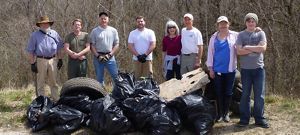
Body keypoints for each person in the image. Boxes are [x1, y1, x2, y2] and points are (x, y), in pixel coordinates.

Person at [236, 13, 269, 128]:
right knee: (245, 95)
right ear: (246, 22)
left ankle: (259, 119)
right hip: (246, 70)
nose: (251, 23)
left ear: (256, 22)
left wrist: (247, 47)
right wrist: (255, 49)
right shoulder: (241, 35)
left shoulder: (261, 33)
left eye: (253, 21)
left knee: (259, 95)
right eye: (249, 21)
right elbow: (239, 51)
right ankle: (244, 119)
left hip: (259, 70)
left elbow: (262, 48)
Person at [206, 16, 238, 122]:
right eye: (221, 24)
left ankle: (226, 113)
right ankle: (219, 114)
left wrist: (257, 29)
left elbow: (247, 35)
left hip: (230, 70)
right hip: (217, 70)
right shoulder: (213, 37)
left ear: (228, 24)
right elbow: (210, 54)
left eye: (225, 23)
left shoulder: (234, 35)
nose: (223, 26)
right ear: (218, 25)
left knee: (228, 92)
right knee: (219, 92)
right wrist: (210, 68)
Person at [26, 16, 63, 101]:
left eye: (47, 23)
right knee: (41, 82)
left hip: (53, 59)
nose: (45, 25)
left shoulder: (54, 33)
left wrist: (60, 59)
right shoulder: (34, 35)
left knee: (53, 82)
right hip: (40, 60)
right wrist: (32, 63)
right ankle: (41, 100)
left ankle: (56, 99)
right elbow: (31, 50)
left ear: (49, 24)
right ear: (40, 25)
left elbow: (59, 47)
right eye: (43, 23)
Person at [90, 12, 119, 85]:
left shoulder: (113, 30)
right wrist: (97, 55)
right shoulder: (94, 31)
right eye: (102, 19)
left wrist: (110, 54)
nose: (103, 20)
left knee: (116, 76)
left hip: (110, 57)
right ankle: (101, 94)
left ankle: (117, 94)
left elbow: (116, 44)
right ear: (99, 20)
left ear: (108, 19)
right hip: (98, 57)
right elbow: (92, 45)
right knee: (99, 78)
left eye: (105, 19)